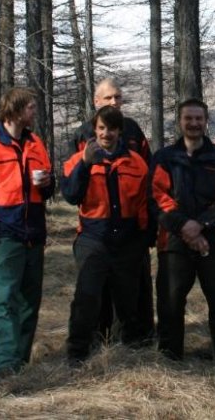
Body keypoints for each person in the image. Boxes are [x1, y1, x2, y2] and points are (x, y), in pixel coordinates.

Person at [0, 87, 55, 379]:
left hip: (34, 233)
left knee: (30, 301)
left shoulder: (36, 143)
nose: (34, 112)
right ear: (15, 111)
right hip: (4, 234)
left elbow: (48, 188)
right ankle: (5, 366)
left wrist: (47, 183)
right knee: (5, 300)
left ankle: (20, 362)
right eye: (30, 107)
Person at [151, 98, 215, 373]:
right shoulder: (164, 158)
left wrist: (201, 225)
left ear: (206, 121)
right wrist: (185, 227)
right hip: (174, 240)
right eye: (188, 118)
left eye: (198, 118)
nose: (193, 123)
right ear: (180, 122)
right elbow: (157, 197)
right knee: (170, 303)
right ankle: (170, 362)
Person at [61, 105, 152, 365]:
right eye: (101, 128)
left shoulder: (136, 163)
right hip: (93, 237)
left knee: (128, 300)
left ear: (120, 131)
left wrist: (144, 239)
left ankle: (130, 351)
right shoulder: (78, 161)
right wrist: (85, 164)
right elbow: (71, 195)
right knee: (86, 297)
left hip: (127, 240)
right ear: (94, 129)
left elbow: (144, 204)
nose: (106, 134)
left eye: (111, 129)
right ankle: (77, 353)